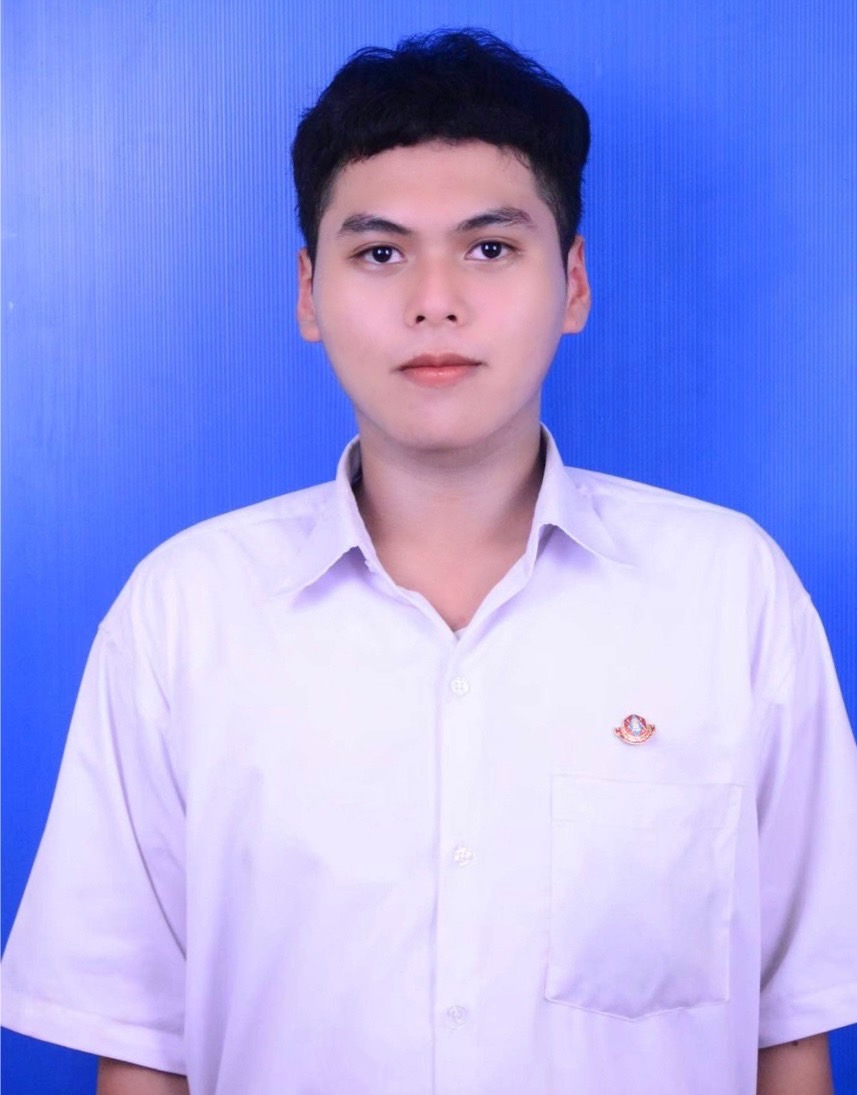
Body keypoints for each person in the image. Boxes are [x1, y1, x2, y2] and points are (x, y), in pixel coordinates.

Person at [3, 28, 857, 1095]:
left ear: (573, 283)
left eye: (489, 249)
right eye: (380, 253)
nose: (434, 300)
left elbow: (790, 1031)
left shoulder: (729, 596)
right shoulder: (184, 615)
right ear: (308, 292)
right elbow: (138, 1050)